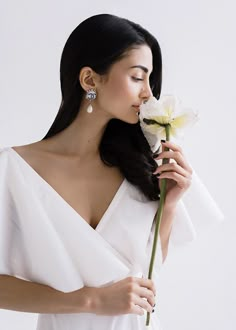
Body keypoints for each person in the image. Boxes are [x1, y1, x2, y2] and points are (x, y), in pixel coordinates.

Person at [0, 13, 224, 330]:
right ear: (90, 80)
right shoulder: (12, 170)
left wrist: (169, 204)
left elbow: (147, 274)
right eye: (137, 77)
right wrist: (89, 300)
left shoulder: (144, 163)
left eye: (151, 80)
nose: (148, 93)